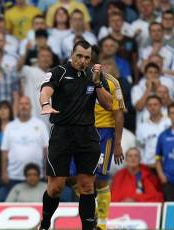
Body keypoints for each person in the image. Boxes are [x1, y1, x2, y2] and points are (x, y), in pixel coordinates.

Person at [39, 40, 113, 230]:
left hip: (87, 134)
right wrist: (46, 104)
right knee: (56, 187)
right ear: (72, 53)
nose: (83, 60)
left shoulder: (95, 75)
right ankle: (45, 223)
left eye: (87, 57)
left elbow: (108, 104)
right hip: (62, 133)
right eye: (79, 56)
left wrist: (97, 84)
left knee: (87, 186)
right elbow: (46, 90)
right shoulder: (59, 72)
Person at [69, 50, 126, 230]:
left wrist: (117, 143)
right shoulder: (81, 78)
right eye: (104, 63)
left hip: (104, 134)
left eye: (110, 65)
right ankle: (91, 211)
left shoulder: (112, 83)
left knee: (100, 178)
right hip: (82, 131)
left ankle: (101, 224)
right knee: (71, 175)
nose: (106, 67)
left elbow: (118, 115)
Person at [0, 96, 49, 201]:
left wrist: (46, 170)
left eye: (26, 104)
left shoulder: (40, 125)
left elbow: (47, 150)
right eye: (21, 104)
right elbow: (4, 152)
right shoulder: (10, 126)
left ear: (30, 106)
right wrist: (3, 172)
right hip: (14, 176)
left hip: (36, 176)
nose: (24, 106)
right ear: (17, 107)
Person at [156, 103, 174, 201]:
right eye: (172, 113)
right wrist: (161, 175)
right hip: (169, 180)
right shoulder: (163, 135)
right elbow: (157, 157)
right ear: (168, 115)